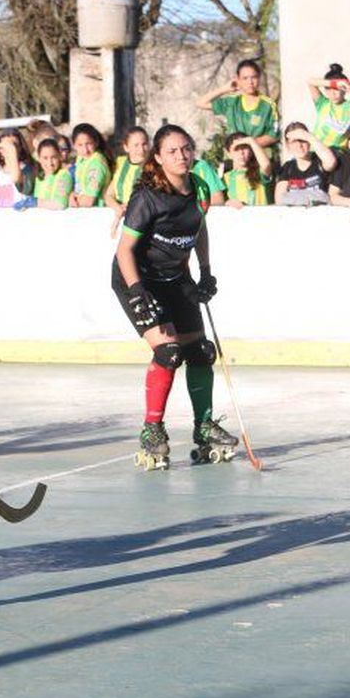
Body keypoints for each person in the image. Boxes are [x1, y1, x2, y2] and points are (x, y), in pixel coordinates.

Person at [110, 124, 240, 470]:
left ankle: (204, 427)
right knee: (169, 352)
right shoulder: (148, 197)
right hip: (138, 278)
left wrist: (206, 270)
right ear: (158, 157)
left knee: (200, 352)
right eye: (172, 151)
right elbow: (124, 250)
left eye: (186, 149)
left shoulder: (198, 187)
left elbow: (199, 229)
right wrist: (137, 292)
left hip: (176, 276)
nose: (181, 156)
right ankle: (152, 430)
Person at [196, 59, 279, 149]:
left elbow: (273, 135)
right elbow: (201, 103)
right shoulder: (232, 102)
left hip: (258, 156)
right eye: (245, 78)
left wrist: (248, 145)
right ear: (238, 79)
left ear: (259, 78)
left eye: (254, 77)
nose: (250, 82)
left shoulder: (268, 105)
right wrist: (225, 89)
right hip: (234, 155)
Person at [273, 123, 337, 206]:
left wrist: (308, 136)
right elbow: (279, 200)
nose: (299, 145)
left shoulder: (319, 160)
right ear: (288, 145)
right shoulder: (288, 168)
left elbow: (331, 162)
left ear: (309, 142)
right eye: (294, 142)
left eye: (302, 140)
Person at [308, 64, 350, 149]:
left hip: (340, 155)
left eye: (336, 89)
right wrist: (334, 83)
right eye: (329, 89)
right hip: (317, 153)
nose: (333, 93)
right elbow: (310, 82)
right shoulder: (322, 103)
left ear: (344, 89)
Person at [0, 130, 34, 208]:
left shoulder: (28, 170)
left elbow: (17, 179)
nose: (10, 149)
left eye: (15, 145)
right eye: (5, 146)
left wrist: (12, 153)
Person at [69, 123, 112, 207]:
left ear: (96, 143)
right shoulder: (81, 159)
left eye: (88, 144)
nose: (85, 150)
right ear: (74, 145)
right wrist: (71, 196)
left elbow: (88, 201)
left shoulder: (97, 164)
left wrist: (74, 201)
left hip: (97, 212)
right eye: (80, 145)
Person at [108, 126, 151, 211]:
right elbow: (109, 195)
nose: (141, 149)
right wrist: (118, 207)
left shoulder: (155, 167)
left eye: (144, 144)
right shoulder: (120, 163)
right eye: (136, 145)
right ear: (126, 147)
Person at [223, 135, 272, 207]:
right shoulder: (225, 178)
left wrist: (251, 141)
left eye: (244, 148)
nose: (241, 153)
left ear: (251, 151)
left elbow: (266, 165)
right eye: (236, 149)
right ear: (229, 154)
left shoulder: (258, 173)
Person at [31, 138, 73, 209]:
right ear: (39, 158)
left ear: (59, 156)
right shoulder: (39, 178)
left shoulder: (64, 175)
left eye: (53, 157)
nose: (50, 163)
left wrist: (36, 202)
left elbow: (60, 204)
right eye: (45, 158)